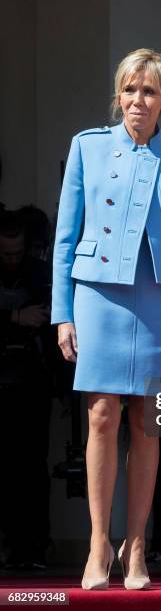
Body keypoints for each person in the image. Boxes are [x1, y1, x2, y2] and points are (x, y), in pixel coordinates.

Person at [51, 48, 161, 590]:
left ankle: (137, 547)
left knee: (148, 422)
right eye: (130, 89)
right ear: (119, 94)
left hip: (160, 299)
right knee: (101, 416)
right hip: (98, 296)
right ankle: (98, 543)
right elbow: (65, 237)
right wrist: (62, 314)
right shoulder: (87, 147)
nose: (139, 100)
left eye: (150, 91)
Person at [0, 210, 52, 570]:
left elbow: (51, 317)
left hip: (32, 381)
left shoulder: (37, 272)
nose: (13, 260)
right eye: (6, 254)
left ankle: (32, 550)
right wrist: (15, 319)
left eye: (18, 252)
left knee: (32, 468)